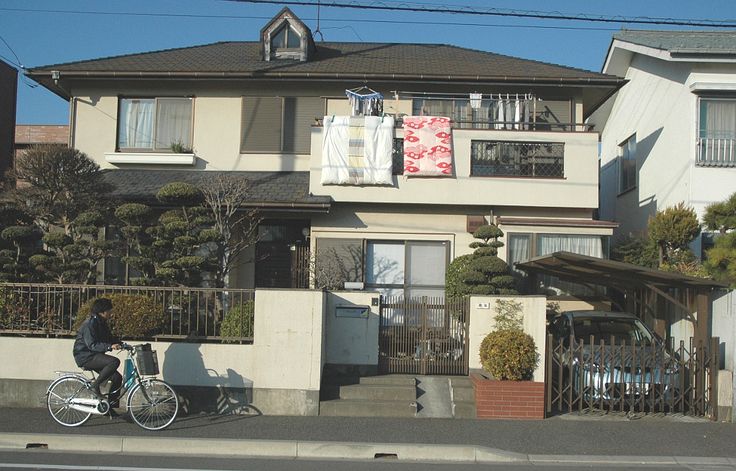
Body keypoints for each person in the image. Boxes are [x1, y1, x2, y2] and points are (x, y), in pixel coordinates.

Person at [72, 298, 123, 411]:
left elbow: (109, 337)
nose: (111, 313)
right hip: (85, 356)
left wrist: (121, 344)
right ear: (102, 312)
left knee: (117, 377)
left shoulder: (101, 322)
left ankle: (109, 407)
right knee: (114, 361)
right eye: (109, 310)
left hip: (94, 355)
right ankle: (96, 385)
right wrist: (109, 346)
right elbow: (92, 345)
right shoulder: (89, 324)